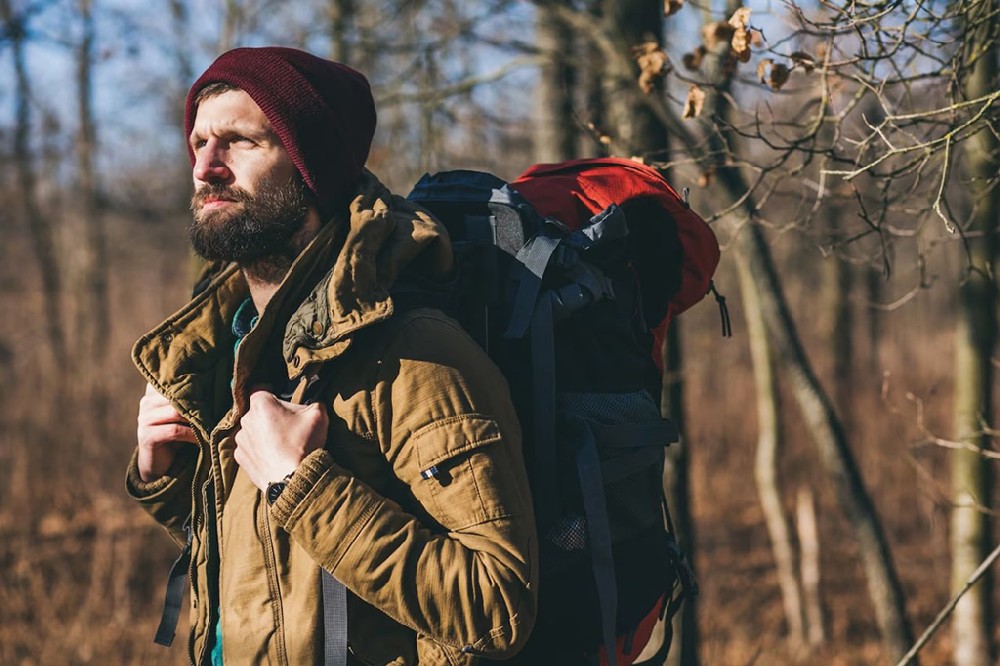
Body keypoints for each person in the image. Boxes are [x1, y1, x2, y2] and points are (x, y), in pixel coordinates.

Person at [126, 46, 537, 666]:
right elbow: (270, 570)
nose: (206, 167)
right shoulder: (235, 341)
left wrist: (302, 486)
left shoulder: (414, 355)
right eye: (198, 143)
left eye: (239, 141)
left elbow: (498, 607)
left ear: (309, 165)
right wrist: (170, 479)